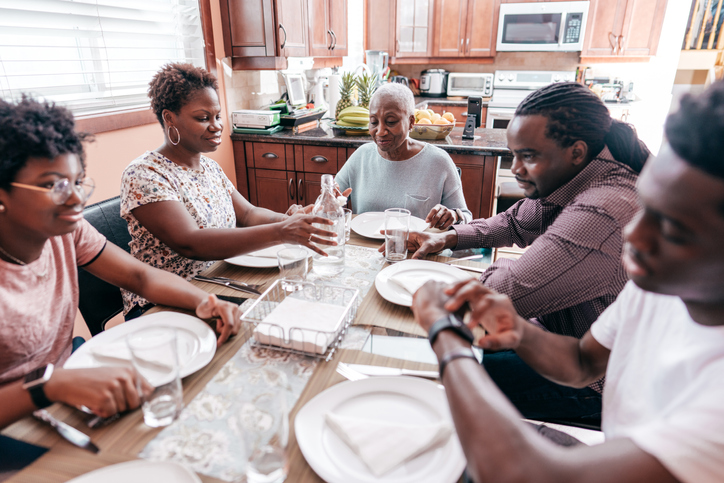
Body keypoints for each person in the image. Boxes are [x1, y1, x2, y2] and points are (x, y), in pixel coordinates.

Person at [410, 81, 724, 483]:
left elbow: (527, 472)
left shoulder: (607, 210)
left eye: (676, 230)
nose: (633, 236)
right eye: (647, 206)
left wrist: (446, 336)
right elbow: (583, 361)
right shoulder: (657, 287)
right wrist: (519, 331)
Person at [403, 82, 651, 420]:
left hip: (596, 388)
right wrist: (448, 238)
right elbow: (515, 223)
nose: (516, 169)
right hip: (559, 341)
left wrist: (481, 275)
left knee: (435, 375)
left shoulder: (601, 211)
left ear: (576, 152)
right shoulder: (579, 175)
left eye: (529, 156)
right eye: (514, 154)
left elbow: (504, 293)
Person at [0, 96, 243, 429]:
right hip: (21, 412)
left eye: (76, 181)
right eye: (52, 185)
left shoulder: (65, 232)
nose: (74, 199)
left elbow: (140, 277)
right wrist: (49, 385)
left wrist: (205, 301)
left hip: (64, 386)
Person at [121, 63, 335, 318]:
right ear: (169, 118)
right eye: (203, 118)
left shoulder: (209, 167)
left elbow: (248, 214)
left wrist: (290, 220)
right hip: (165, 303)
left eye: (217, 116)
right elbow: (190, 243)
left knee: (305, 303)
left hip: (219, 282)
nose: (216, 126)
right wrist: (281, 231)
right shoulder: (145, 174)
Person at [335, 82, 472, 229]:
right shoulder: (361, 156)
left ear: (411, 122)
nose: (380, 131)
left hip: (417, 250)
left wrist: (454, 215)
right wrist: (329, 201)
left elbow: (466, 217)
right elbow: (330, 199)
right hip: (364, 249)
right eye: (374, 122)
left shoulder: (439, 161)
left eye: (391, 122)